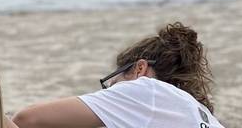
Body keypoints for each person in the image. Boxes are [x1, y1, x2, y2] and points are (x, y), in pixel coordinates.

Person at [13, 23, 223, 128]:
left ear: (139, 69)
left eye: (111, 85)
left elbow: (27, 119)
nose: (111, 92)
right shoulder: (197, 111)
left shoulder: (146, 89)